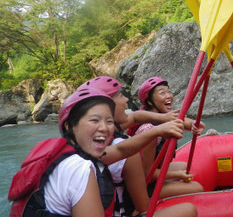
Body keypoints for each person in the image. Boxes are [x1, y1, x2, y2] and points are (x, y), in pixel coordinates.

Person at [9, 87, 198, 217]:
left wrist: (160, 128)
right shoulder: (79, 168)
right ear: (70, 125)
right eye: (94, 120)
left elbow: (121, 149)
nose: (104, 128)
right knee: (189, 210)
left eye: (109, 122)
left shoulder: (67, 154)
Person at [78, 76, 180, 216]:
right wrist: (157, 131)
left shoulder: (84, 143)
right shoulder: (126, 151)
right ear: (106, 107)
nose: (126, 99)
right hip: (127, 211)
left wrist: (164, 119)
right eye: (120, 95)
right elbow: (143, 207)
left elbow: (135, 116)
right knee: (189, 209)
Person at [127, 77, 205, 198]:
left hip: (154, 171)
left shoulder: (162, 117)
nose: (168, 96)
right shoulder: (149, 131)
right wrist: (177, 175)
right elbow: (147, 174)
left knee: (184, 166)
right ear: (149, 102)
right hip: (144, 186)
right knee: (197, 188)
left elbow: (182, 121)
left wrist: (194, 124)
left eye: (169, 91)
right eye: (162, 93)